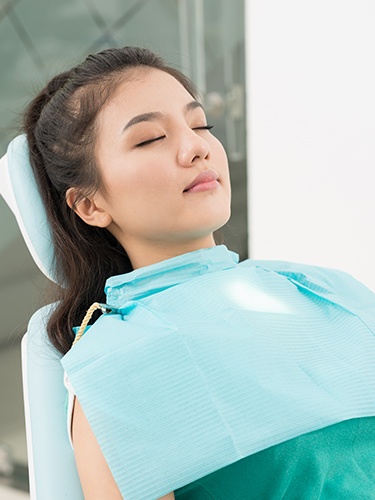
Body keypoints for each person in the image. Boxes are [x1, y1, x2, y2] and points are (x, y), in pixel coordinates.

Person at [22, 46, 375, 499]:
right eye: (150, 138)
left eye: (200, 124)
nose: (196, 147)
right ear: (91, 204)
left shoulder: (323, 289)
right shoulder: (118, 363)